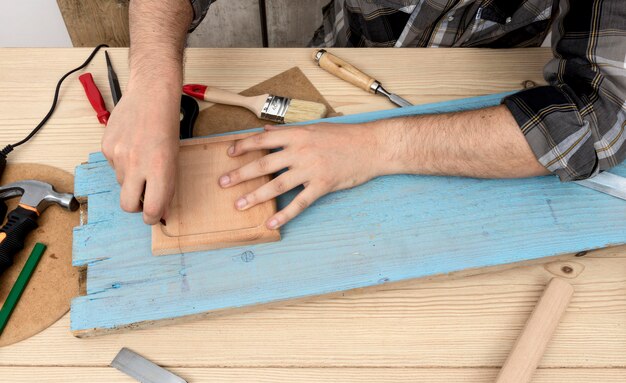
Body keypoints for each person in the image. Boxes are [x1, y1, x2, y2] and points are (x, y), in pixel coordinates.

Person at [102, 0, 626, 229]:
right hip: (348, 50)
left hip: (485, 86)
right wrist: (151, 80)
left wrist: (377, 146)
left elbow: (606, 114)